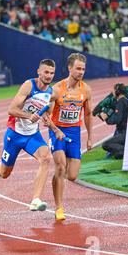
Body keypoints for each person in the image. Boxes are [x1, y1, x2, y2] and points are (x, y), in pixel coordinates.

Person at [0, 59, 64, 211]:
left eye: (52, 73)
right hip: (14, 135)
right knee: (4, 173)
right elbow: (11, 109)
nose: (49, 76)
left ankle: (35, 200)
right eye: (46, 72)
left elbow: (46, 113)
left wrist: (54, 128)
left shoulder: (52, 93)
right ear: (38, 72)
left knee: (46, 158)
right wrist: (27, 116)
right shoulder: (29, 86)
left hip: (32, 135)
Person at [46, 53, 93, 221]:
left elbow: (87, 114)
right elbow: (46, 112)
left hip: (74, 133)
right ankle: (59, 207)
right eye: (78, 68)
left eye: (83, 69)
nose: (81, 72)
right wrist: (52, 127)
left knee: (72, 175)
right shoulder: (58, 89)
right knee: (60, 167)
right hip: (57, 130)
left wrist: (89, 137)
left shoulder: (86, 89)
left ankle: (57, 181)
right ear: (70, 68)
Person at [100, 83, 128, 159]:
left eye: (113, 90)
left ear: (117, 91)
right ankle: (122, 151)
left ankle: (124, 151)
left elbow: (117, 119)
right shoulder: (126, 101)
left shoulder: (120, 102)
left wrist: (106, 118)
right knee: (116, 154)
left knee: (106, 144)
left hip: (125, 132)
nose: (112, 93)